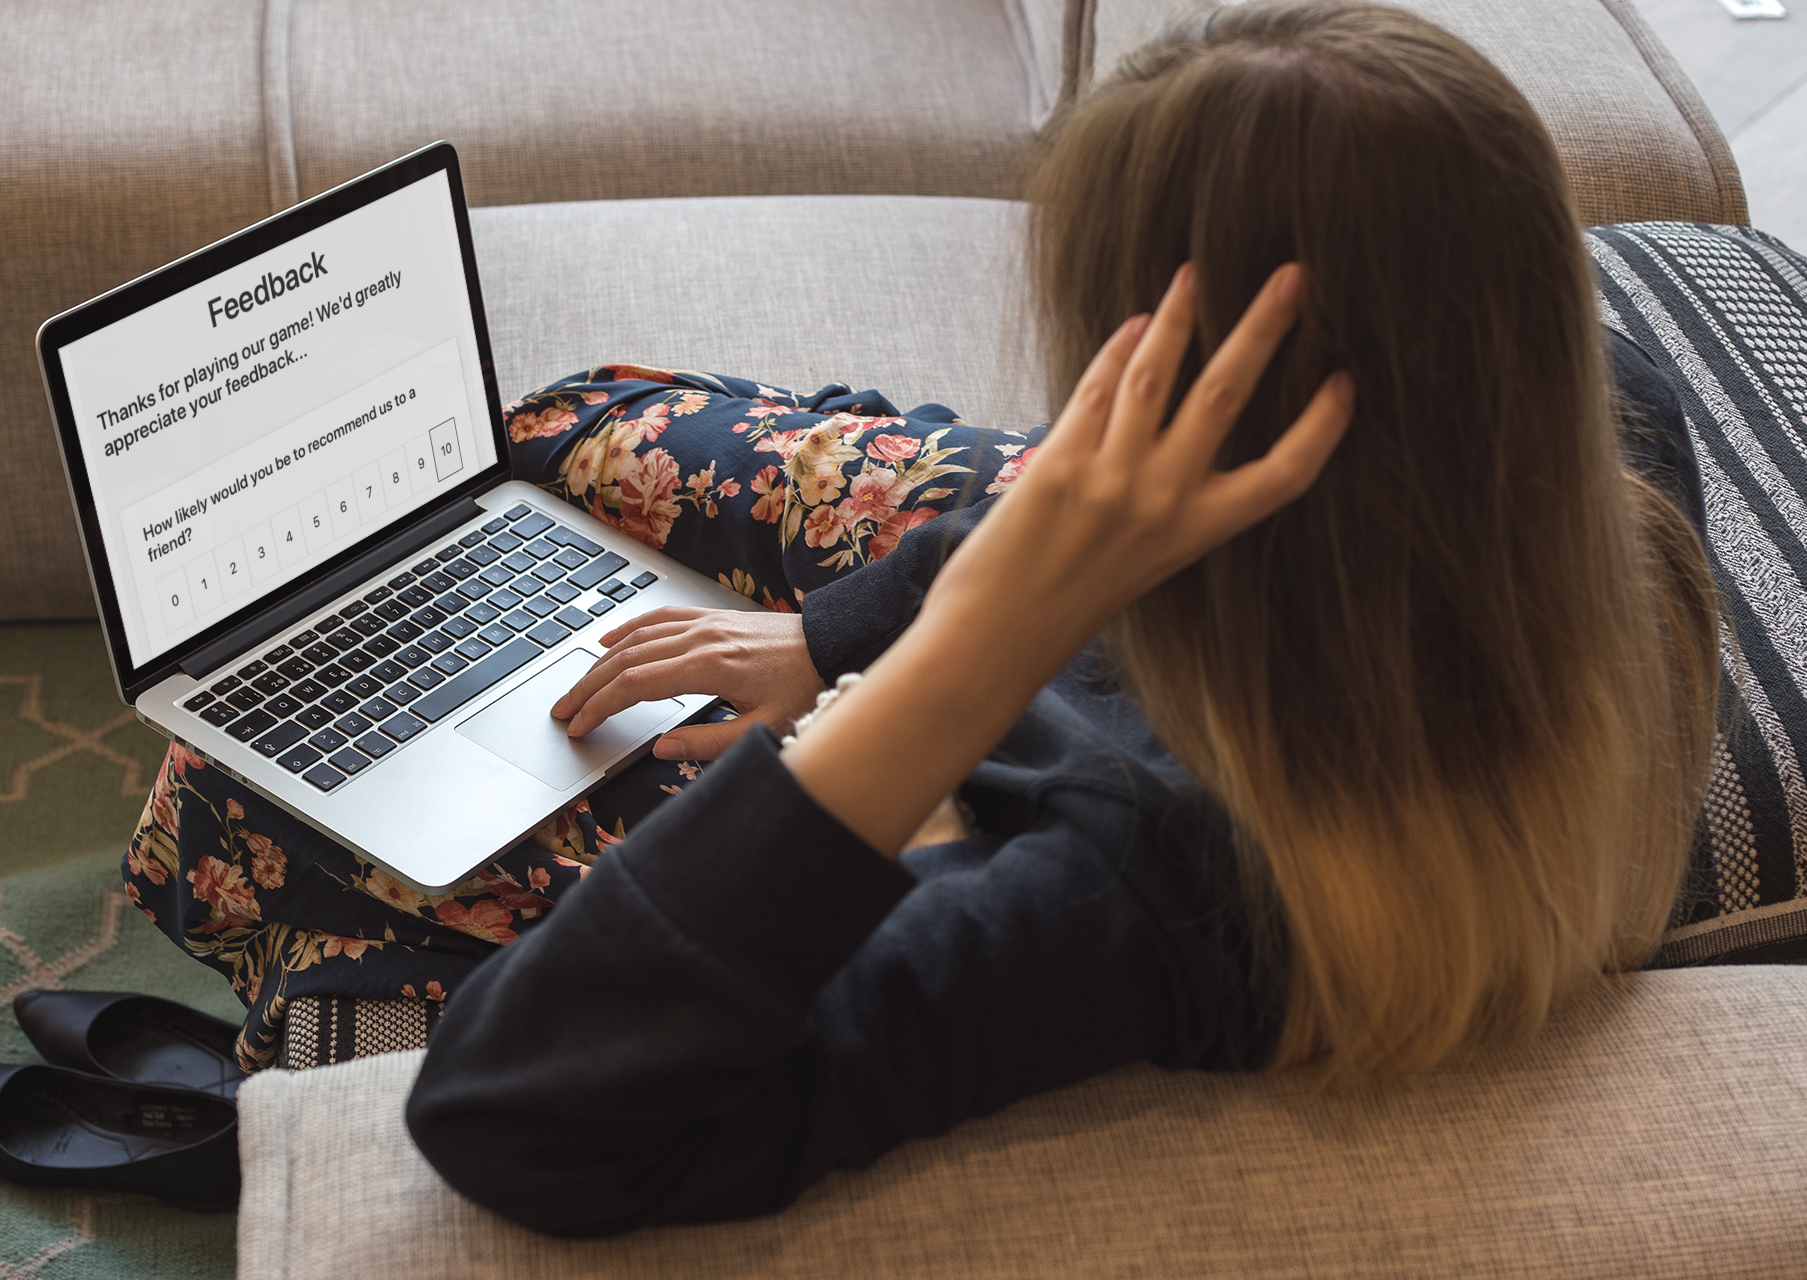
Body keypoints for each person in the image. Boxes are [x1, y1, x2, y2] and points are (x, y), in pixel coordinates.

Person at [134, 0, 1719, 1235]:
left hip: (1009, 738)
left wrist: (959, 661)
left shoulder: (1148, 890)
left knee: (231, 803)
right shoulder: (1594, 433)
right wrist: (825, 637)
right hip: (1123, 618)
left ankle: (284, 1055)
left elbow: (510, 1112)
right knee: (569, 427)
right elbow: (1053, 488)